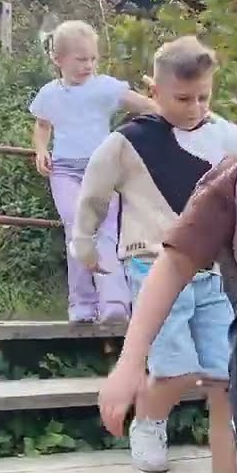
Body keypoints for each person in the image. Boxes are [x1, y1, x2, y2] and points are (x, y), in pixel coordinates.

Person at [77, 36, 237, 473]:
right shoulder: (129, 141)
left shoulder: (222, 133)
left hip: (213, 272)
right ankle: (150, 420)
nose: (194, 107)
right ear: (153, 89)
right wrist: (83, 241)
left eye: (204, 96)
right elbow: (94, 192)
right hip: (150, 264)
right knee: (176, 368)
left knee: (225, 378)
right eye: (182, 98)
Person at [29, 20, 155, 323]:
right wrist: (41, 149)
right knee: (78, 228)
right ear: (58, 60)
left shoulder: (105, 87)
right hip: (66, 171)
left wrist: (164, 103)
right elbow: (42, 126)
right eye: (81, 59)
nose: (88, 65)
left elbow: (147, 107)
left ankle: (114, 302)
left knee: (107, 232)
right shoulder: (49, 93)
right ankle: (82, 304)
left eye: (93, 58)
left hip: (103, 170)